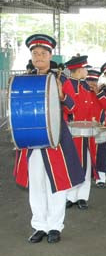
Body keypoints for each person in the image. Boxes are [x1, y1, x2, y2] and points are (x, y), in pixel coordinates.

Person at [13, 34, 85, 243]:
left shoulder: (61, 78)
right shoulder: (26, 78)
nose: (39, 57)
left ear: (50, 56)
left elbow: (74, 107)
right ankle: (39, 226)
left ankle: (55, 226)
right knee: (36, 184)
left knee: (57, 183)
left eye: (43, 53)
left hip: (56, 140)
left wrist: (63, 96)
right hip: (31, 140)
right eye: (35, 54)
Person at [62, 56, 96, 210]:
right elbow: (69, 108)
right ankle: (71, 196)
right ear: (79, 70)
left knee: (86, 164)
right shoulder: (67, 85)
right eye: (85, 68)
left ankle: (82, 196)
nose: (87, 71)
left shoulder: (85, 86)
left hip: (86, 130)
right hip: (72, 131)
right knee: (72, 163)